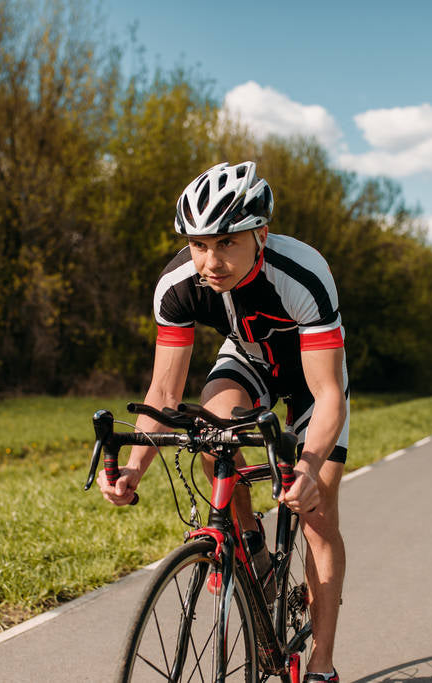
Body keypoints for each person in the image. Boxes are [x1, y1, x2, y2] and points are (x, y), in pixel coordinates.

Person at [99, 161, 349, 683]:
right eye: (198, 244)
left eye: (225, 243)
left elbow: (328, 394)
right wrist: (136, 470)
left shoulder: (302, 272)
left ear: (259, 233)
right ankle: (248, 545)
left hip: (310, 378)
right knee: (210, 430)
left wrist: (306, 468)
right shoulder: (177, 284)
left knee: (319, 515)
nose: (210, 261)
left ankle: (322, 665)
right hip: (249, 359)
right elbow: (164, 393)